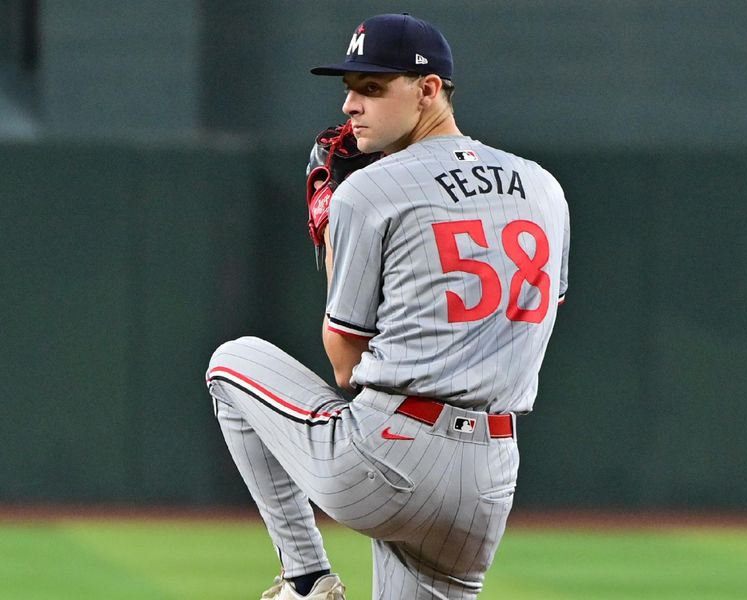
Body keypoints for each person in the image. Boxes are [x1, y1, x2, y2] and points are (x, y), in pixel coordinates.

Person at [206, 12, 570, 600]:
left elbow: (345, 365)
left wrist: (331, 238)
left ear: (429, 90)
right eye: (350, 88)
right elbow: (533, 312)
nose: (351, 104)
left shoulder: (369, 189)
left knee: (231, 362)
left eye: (372, 88)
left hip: (388, 458)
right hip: (489, 482)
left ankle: (304, 576)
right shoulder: (545, 188)